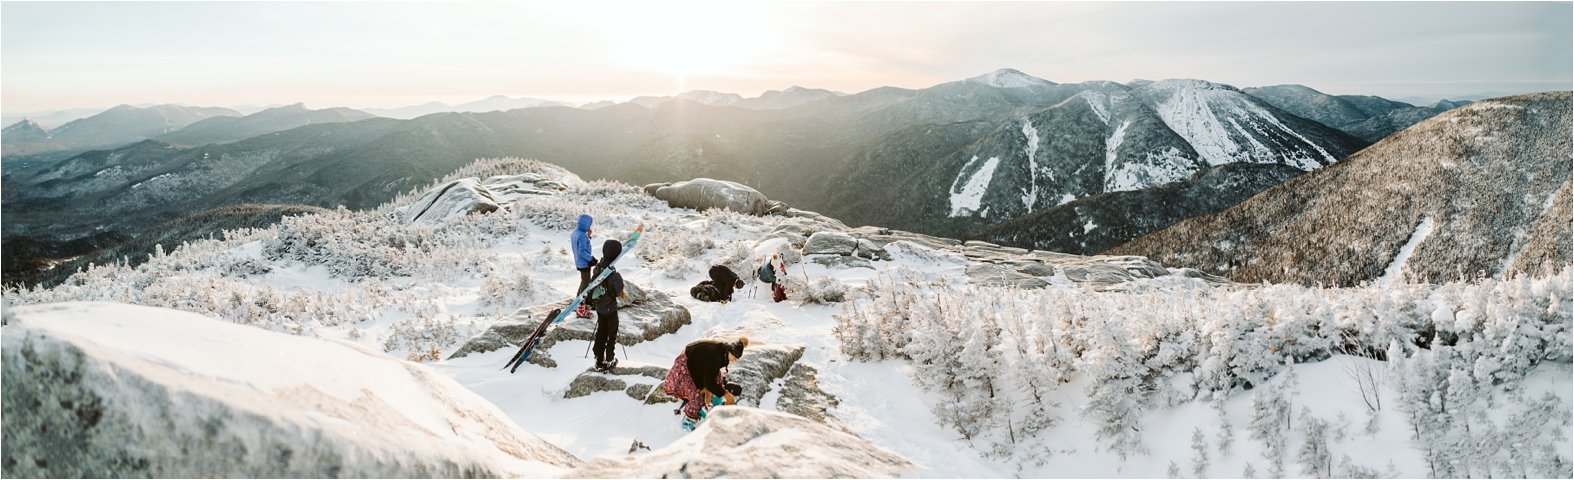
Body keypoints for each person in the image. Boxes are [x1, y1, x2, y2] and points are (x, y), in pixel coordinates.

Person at [662, 336, 749, 431]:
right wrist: (726, 394)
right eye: (735, 357)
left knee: (716, 378)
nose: (734, 360)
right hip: (687, 363)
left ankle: (713, 398)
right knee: (697, 395)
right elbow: (709, 383)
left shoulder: (722, 352)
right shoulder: (716, 355)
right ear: (729, 351)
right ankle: (688, 420)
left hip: (699, 364)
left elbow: (712, 372)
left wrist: (714, 389)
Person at [590, 239, 625, 371]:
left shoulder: (598, 268)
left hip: (600, 307)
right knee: (611, 334)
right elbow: (617, 291)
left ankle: (598, 359)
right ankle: (609, 359)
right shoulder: (613, 274)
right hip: (610, 309)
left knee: (601, 331)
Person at [571, 214, 596, 318]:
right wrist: (591, 259)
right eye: (589, 224)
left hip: (579, 262)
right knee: (586, 284)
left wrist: (588, 236)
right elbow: (582, 251)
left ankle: (577, 303)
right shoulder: (582, 235)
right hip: (584, 263)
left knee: (584, 281)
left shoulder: (576, 232)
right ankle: (580, 307)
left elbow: (580, 246)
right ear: (586, 224)